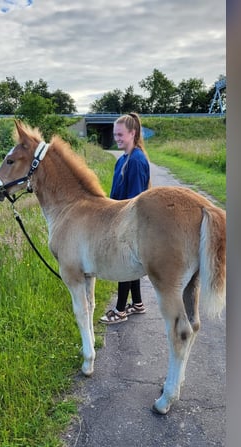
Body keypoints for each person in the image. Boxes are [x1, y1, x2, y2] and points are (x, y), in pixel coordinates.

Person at [99, 112, 151, 325]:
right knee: (130, 263)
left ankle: (120, 310)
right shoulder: (122, 159)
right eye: (115, 135)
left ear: (133, 133)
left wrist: (120, 224)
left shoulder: (137, 161)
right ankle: (137, 303)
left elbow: (135, 201)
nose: (117, 138)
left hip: (129, 222)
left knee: (125, 263)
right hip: (118, 217)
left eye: (121, 134)